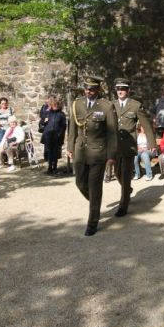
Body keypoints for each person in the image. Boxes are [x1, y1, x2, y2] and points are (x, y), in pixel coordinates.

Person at [67, 75, 118, 236]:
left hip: (98, 153)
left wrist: (111, 155)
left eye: (93, 89)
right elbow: (72, 129)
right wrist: (69, 147)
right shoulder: (77, 104)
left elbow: (112, 133)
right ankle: (95, 203)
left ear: (98, 89)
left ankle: (92, 222)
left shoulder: (106, 106)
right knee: (80, 183)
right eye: (87, 88)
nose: (89, 91)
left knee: (95, 187)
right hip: (80, 151)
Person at [113, 78, 156, 216]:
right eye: (119, 89)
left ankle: (123, 206)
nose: (121, 91)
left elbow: (146, 125)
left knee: (125, 174)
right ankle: (128, 190)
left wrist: (152, 144)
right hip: (114, 146)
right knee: (117, 173)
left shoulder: (136, 105)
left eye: (123, 89)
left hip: (128, 146)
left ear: (128, 91)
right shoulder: (111, 105)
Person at [41, 97, 66, 175]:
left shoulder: (61, 114)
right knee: (49, 152)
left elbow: (63, 126)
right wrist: (44, 121)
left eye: (56, 104)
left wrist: (60, 135)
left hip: (56, 136)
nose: (55, 106)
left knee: (55, 153)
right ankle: (49, 168)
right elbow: (42, 122)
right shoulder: (48, 113)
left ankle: (54, 168)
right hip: (48, 135)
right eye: (53, 104)